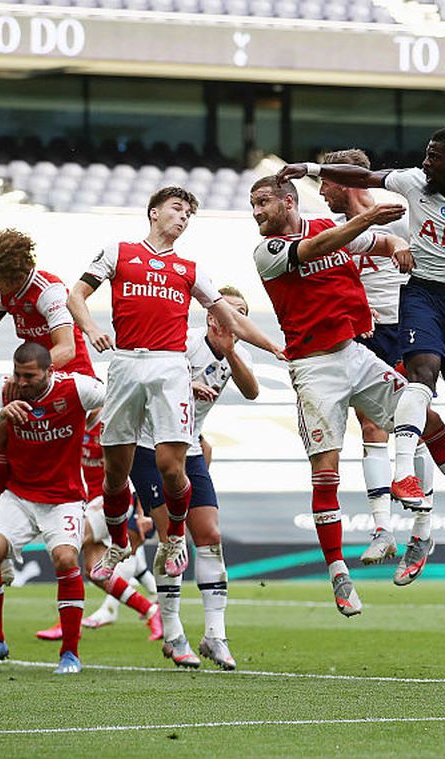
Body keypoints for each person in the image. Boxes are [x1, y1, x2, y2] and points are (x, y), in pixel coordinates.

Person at [250, 176, 445, 612]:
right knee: (332, 465)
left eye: (262, 202)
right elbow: (318, 249)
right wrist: (373, 223)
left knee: (422, 417)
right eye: (252, 204)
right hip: (316, 364)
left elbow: (383, 245)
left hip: (368, 343)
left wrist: (394, 246)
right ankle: (343, 567)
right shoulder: (273, 249)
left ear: (287, 200)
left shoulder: (347, 227)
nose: (256, 212)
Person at [277, 127, 445, 511]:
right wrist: (309, 168)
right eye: (425, 154)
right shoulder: (412, 182)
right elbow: (365, 177)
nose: (425, 162)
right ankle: (404, 487)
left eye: (434, 157)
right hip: (416, 298)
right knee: (414, 385)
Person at [68, 187, 284, 588]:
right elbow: (76, 295)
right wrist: (92, 328)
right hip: (127, 361)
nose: (183, 217)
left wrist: (273, 346)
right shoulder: (119, 252)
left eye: (189, 214)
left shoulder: (190, 269)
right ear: (154, 212)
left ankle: (172, 540)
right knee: (115, 474)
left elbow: (231, 320)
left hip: (169, 366)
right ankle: (118, 543)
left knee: (172, 465)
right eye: (177, 209)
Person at [318, 147, 445, 573]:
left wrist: (406, 249)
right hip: (367, 335)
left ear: (346, 181)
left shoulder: (405, 213)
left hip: (407, 323)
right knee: (372, 427)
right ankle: (383, 531)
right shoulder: (336, 229)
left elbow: (438, 247)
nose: (321, 191)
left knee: (423, 422)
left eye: (326, 182)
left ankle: (421, 531)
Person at [0, 229, 95, 560]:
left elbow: (66, 349)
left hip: (69, 382)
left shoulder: (49, 292)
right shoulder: (6, 292)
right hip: (35, 380)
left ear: (17, 272)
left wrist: (26, 379)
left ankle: (108, 529)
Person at [129, 286, 258, 670]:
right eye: (231, 310)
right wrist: (184, 386)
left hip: (190, 447)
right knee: (172, 540)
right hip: (150, 446)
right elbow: (148, 385)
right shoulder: (184, 343)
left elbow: (251, 391)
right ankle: (173, 634)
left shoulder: (239, 353)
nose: (236, 317)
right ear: (211, 315)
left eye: (243, 312)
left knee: (210, 535)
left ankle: (214, 636)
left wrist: (232, 349)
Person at [0, 342, 103, 675]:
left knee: (66, 558)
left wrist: (103, 418)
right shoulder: (5, 389)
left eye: (29, 376)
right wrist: (0, 414)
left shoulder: (77, 388)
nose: (22, 382)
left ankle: (70, 653)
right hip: (19, 496)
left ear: (49, 372)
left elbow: (117, 396)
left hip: (64, 498)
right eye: (18, 374)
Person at [33, 414, 163, 643]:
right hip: (86, 502)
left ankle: (67, 623)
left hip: (111, 501)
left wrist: (142, 512)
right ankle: (151, 611)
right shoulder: (69, 421)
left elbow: (141, 467)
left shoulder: (112, 422)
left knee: (67, 545)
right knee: (95, 571)